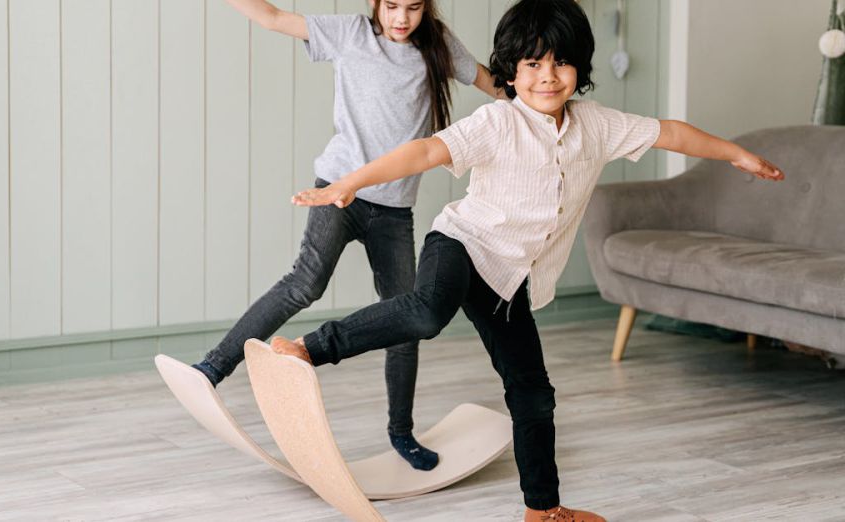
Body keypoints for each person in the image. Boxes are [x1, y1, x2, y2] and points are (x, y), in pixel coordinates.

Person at [270, 0, 784, 519]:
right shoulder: (496, 122)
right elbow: (425, 152)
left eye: (560, 63)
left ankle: (543, 511)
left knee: (534, 394)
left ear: (579, 69)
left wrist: (736, 154)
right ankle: (307, 349)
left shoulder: (598, 126)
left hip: (510, 278)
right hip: (462, 245)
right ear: (511, 71)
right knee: (427, 313)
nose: (547, 77)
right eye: (533, 64)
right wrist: (349, 183)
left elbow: (669, 132)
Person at [189, 0, 507, 471]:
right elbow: (275, 18)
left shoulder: (438, 45)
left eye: (413, 7)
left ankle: (402, 431)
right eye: (392, 6)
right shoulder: (351, 33)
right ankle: (213, 367)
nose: (402, 18)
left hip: (394, 210)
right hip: (338, 191)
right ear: (376, 4)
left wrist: (549, 103)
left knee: (407, 317)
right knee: (305, 283)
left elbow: (494, 85)